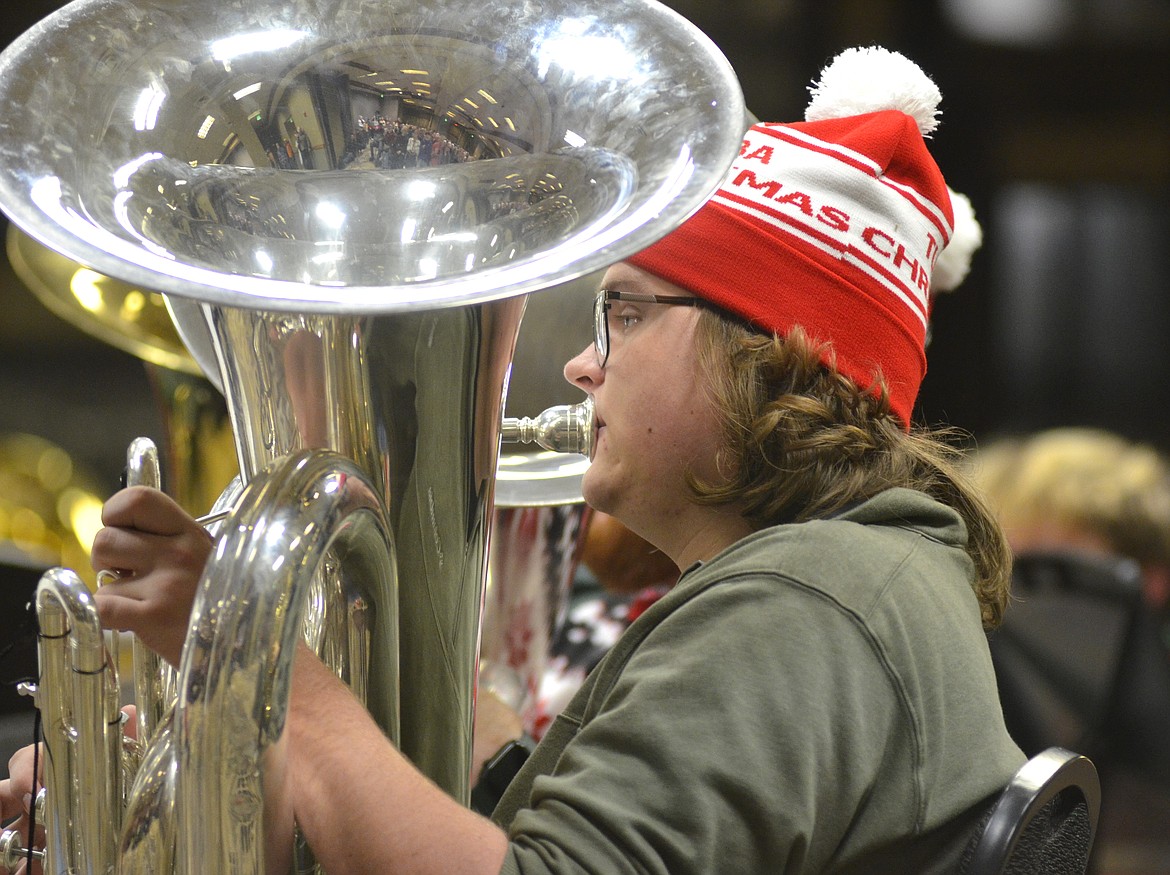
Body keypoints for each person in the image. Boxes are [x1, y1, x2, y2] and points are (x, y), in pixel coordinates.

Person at [2, 46, 1025, 873]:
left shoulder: (800, 605)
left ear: (764, 349)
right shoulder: (857, 577)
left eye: (624, 311)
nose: (584, 363)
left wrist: (263, 667)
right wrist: (197, 749)